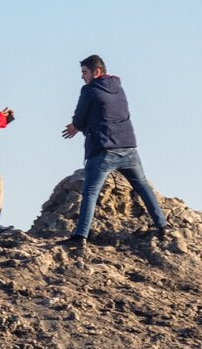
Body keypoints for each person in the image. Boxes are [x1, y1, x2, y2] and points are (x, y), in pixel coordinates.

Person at [60, 54, 166, 249]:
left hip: (104, 150)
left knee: (90, 192)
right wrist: (81, 124)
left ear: (96, 72)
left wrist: (77, 126)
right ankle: (162, 225)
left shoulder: (90, 90)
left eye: (84, 72)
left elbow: (80, 117)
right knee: (142, 186)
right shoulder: (119, 89)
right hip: (128, 147)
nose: (82, 77)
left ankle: (80, 235)